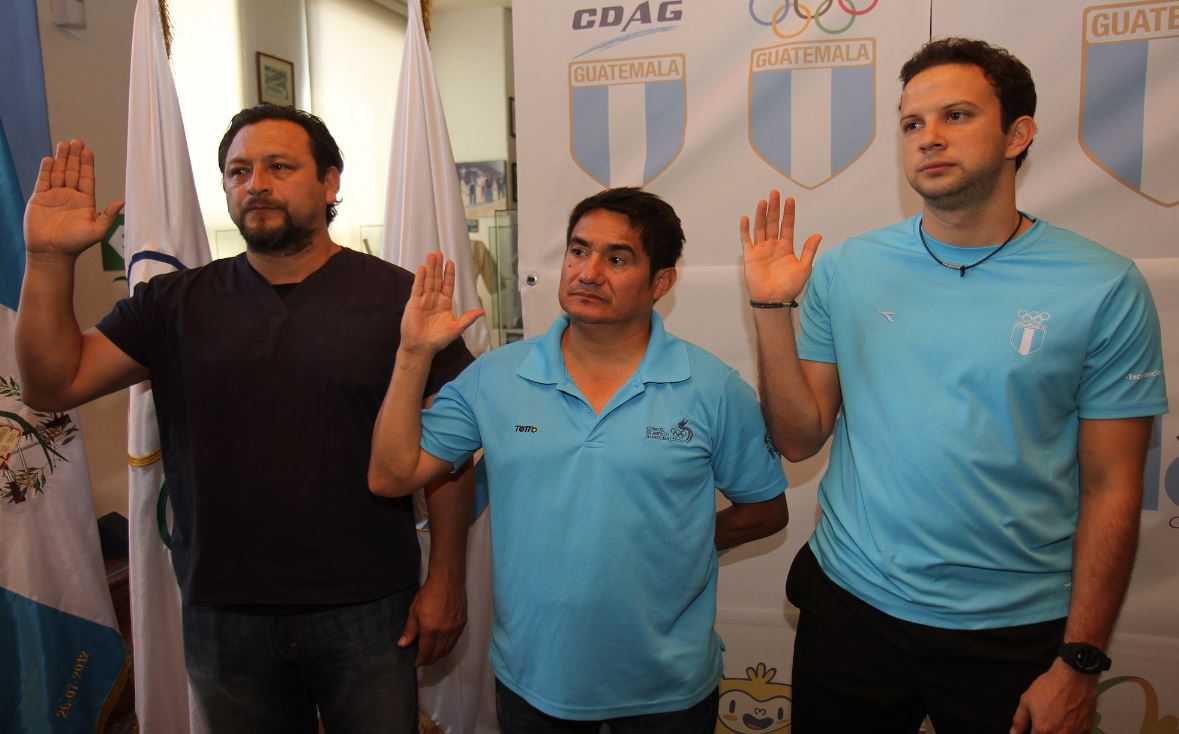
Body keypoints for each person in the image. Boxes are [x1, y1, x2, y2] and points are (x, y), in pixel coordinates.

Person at [741, 37, 1168, 734]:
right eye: (912, 123)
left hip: (1015, 632)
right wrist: (768, 308)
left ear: (1017, 135)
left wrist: (1080, 662)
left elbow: (1113, 485)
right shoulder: (847, 269)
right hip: (852, 611)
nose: (928, 138)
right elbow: (797, 439)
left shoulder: (1103, 285)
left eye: (957, 116)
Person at [16, 104, 475, 733]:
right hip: (224, 611)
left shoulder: (402, 301)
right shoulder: (171, 304)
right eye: (239, 171)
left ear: (330, 183)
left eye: (279, 166)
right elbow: (51, 385)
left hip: (367, 604)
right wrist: (47, 260)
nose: (255, 183)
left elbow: (451, 452)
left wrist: (446, 577)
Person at [369, 187, 790, 731]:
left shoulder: (712, 387)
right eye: (578, 250)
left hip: (668, 688)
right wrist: (413, 354)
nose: (588, 272)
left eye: (617, 259)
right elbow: (392, 476)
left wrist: (676, 544)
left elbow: (765, 510)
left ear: (661, 283)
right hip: (534, 679)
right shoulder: (496, 377)